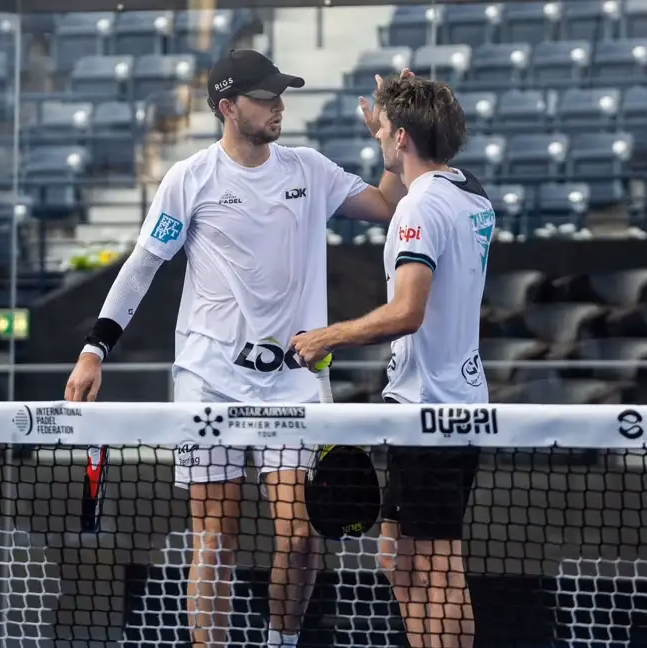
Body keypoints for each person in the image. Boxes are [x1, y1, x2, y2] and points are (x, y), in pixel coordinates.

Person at [64, 49, 406, 648]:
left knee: (299, 539)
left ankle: (279, 642)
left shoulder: (309, 169)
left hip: (293, 380)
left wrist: (389, 144)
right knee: (214, 539)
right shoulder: (189, 179)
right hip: (210, 380)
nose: (278, 105)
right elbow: (142, 267)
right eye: (265, 96)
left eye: (281, 95)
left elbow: (385, 205)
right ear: (227, 107)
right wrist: (96, 347)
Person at [290, 72, 489, 648]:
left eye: (385, 133)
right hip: (446, 406)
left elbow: (406, 312)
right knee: (396, 559)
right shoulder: (469, 191)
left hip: (432, 415)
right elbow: (425, 152)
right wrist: (405, 110)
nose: (377, 137)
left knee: (437, 568)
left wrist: (328, 337)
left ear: (401, 139)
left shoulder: (418, 212)